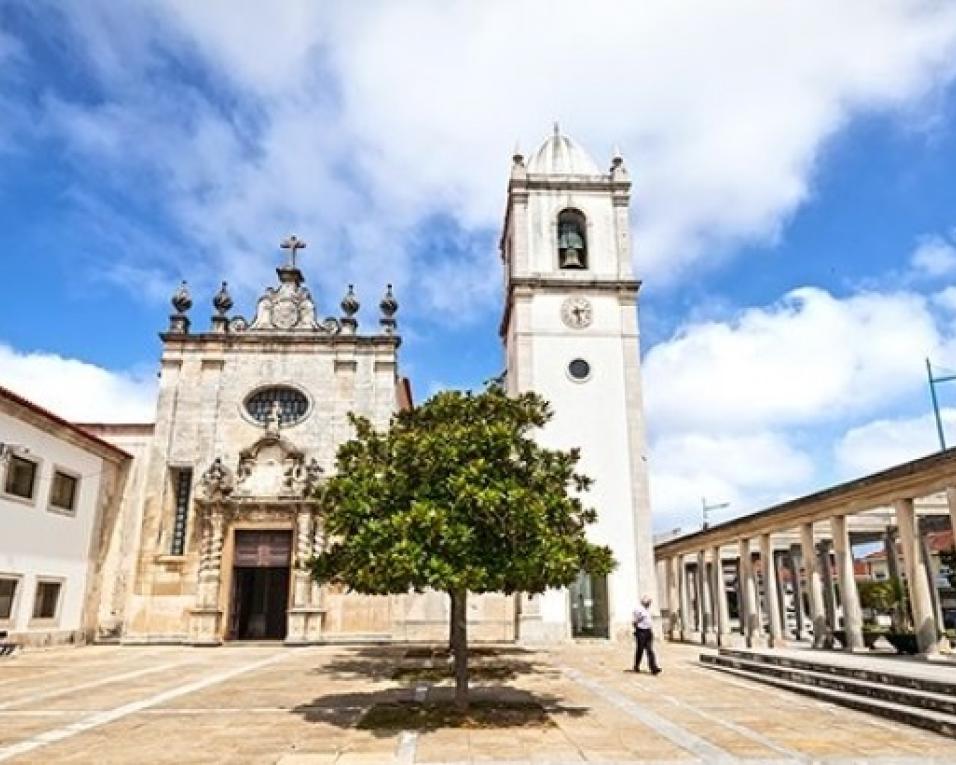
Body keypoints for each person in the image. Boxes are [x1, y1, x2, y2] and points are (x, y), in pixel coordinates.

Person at [632, 595, 661, 675]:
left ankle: (654, 668)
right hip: (641, 631)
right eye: (648, 602)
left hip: (648, 631)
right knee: (640, 650)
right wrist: (639, 620)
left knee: (650, 650)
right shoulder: (638, 609)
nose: (649, 604)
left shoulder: (647, 610)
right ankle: (636, 665)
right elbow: (635, 621)